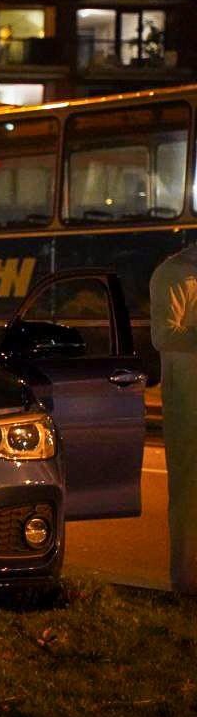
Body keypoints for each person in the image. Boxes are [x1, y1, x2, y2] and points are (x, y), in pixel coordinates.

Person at [150, 246, 197, 594]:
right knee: (188, 493)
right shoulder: (173, 274)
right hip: (187, 403)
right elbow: (163, 334)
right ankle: (186, 581)